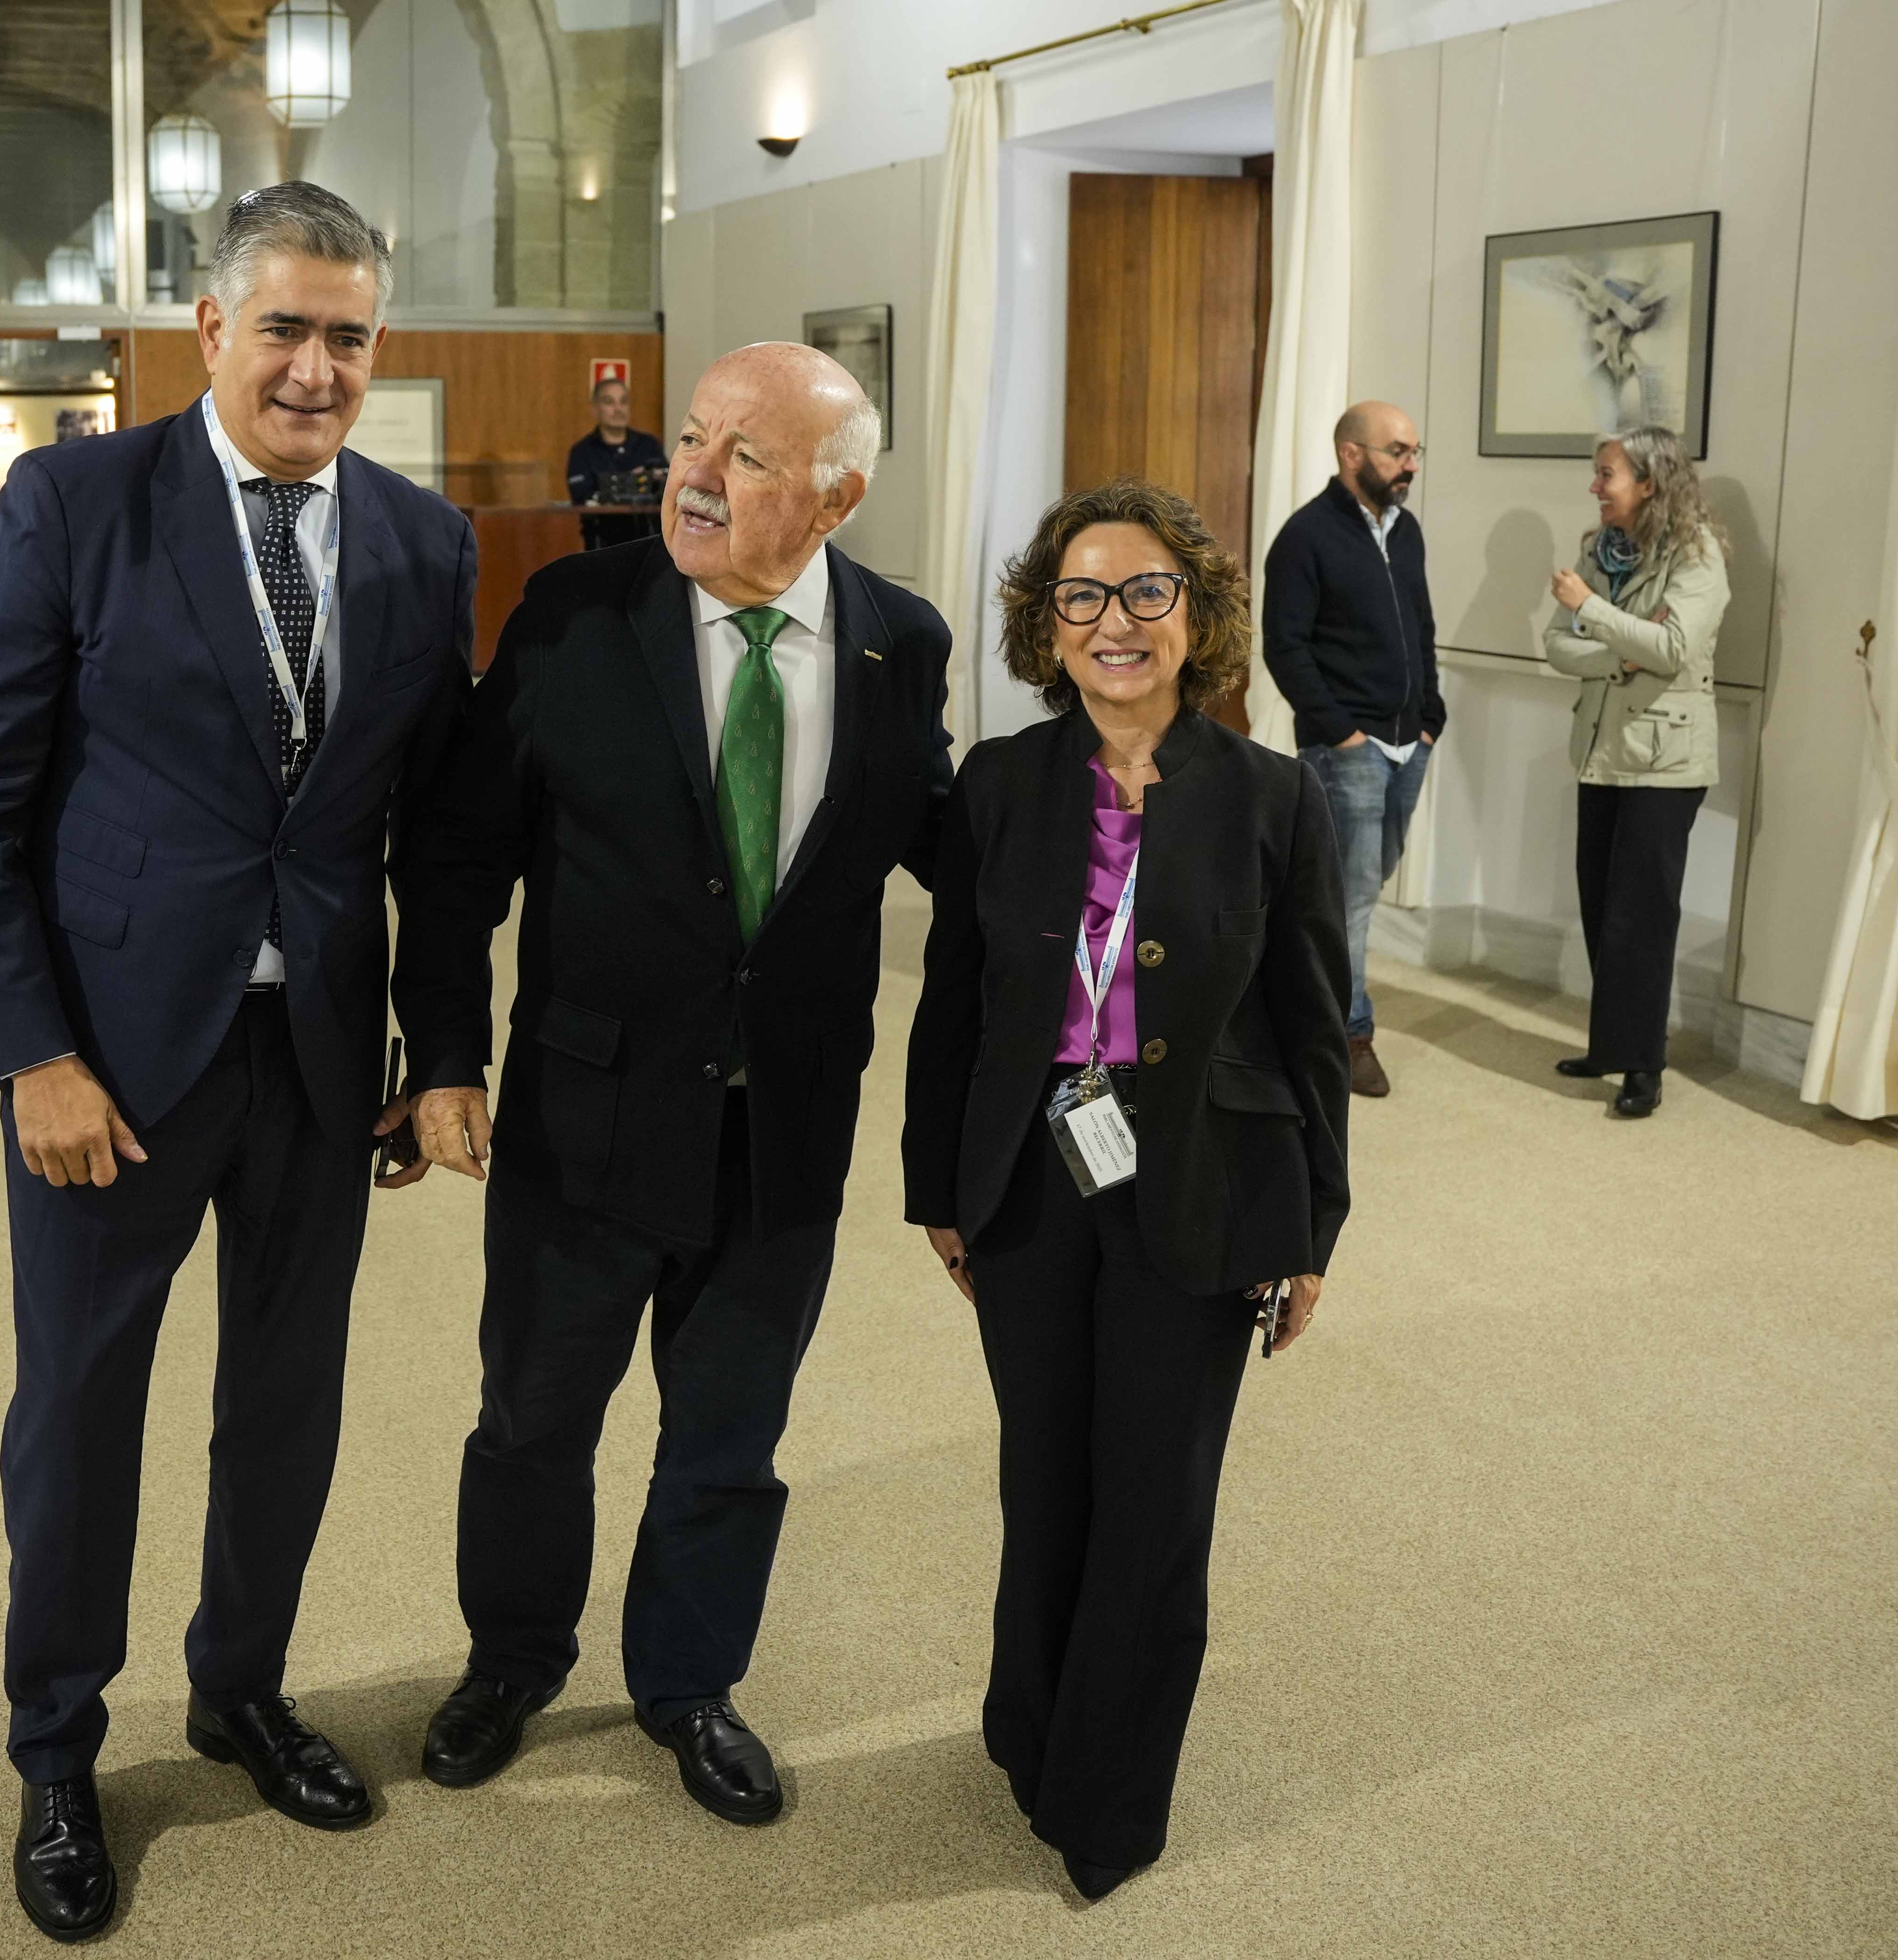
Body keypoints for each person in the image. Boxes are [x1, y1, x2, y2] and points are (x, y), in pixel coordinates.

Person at [0, 182, 476, 1944]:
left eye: (350, 337)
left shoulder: (418, 539)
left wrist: (439, 1049)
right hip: (113, 1066)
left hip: (316, 1052)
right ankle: (58, 1745)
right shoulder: (75, 504)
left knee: (285, 1402)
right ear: (209, 330)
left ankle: (240, 1688)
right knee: (82, 1413)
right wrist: (32, 1055)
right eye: (286, 328)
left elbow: (435, 834)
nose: (317, 368)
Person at [391, 342, 953, 1825]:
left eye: (742, 457)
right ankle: (511, 1658)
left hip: (782, 1138)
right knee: (532, 1424)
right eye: (693, 439)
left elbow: (951, 849)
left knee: (729, 1440)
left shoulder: (904, 644)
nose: (689, 476)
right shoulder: (579, 614)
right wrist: (446, 1055)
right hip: (586, 1119)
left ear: (831, 499)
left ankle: (688, 1683)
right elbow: (458, 857)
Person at [902, 478, 1349, 1903]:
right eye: (1083, 597)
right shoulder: (998, 785)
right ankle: (1027, 1722)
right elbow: (954, 1008)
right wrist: (939, 1186)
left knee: (1156, 1500)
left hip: (1208, 1188)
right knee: (1047, 1477)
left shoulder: (1273, 795)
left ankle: (1108, 1794)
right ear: (1048, 625)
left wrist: (1314, 1227)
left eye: (1147, 593)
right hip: (1030, 1178)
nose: (1115, 623)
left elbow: (1309, 1023)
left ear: (1199, 614)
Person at [1541, 425, 1729, 1118]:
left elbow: (1674, 648)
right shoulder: (1599, 550)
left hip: (1666, 762)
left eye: (1606, 474)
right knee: (1598, 905)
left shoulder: (1696, 554)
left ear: (1648, 482)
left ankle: (1642, 1064)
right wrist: (1618, 650)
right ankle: (1610, 1044)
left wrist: (1590, 610)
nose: (1594, 486)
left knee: (1639, 919)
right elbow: (1554, 645)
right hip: (1598, 750)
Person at [1259, 399, 1443, 1098]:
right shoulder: (1304, 537)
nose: (1410, 466)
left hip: (1407, 742)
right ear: (1351, 454)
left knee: (1358, 886)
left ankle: (1304, 1010)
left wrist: (1430, 717)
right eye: (1397, 451)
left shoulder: (1407, 531)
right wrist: (1340, 732)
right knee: (1352, 897)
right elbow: (1284, 647)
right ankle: (1347, 1035)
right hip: (1347, 749)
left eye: (1414, 451)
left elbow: (1420, 628)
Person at [565, 374, 666, 550]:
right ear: (595, 409)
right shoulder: (582, 452)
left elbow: (668, 485)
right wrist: (629, 481)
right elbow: (582, 499)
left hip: (649, 542)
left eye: (624, 402)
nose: (618, 409)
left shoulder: (649, 445)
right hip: (603, 545)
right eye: (609, 402)